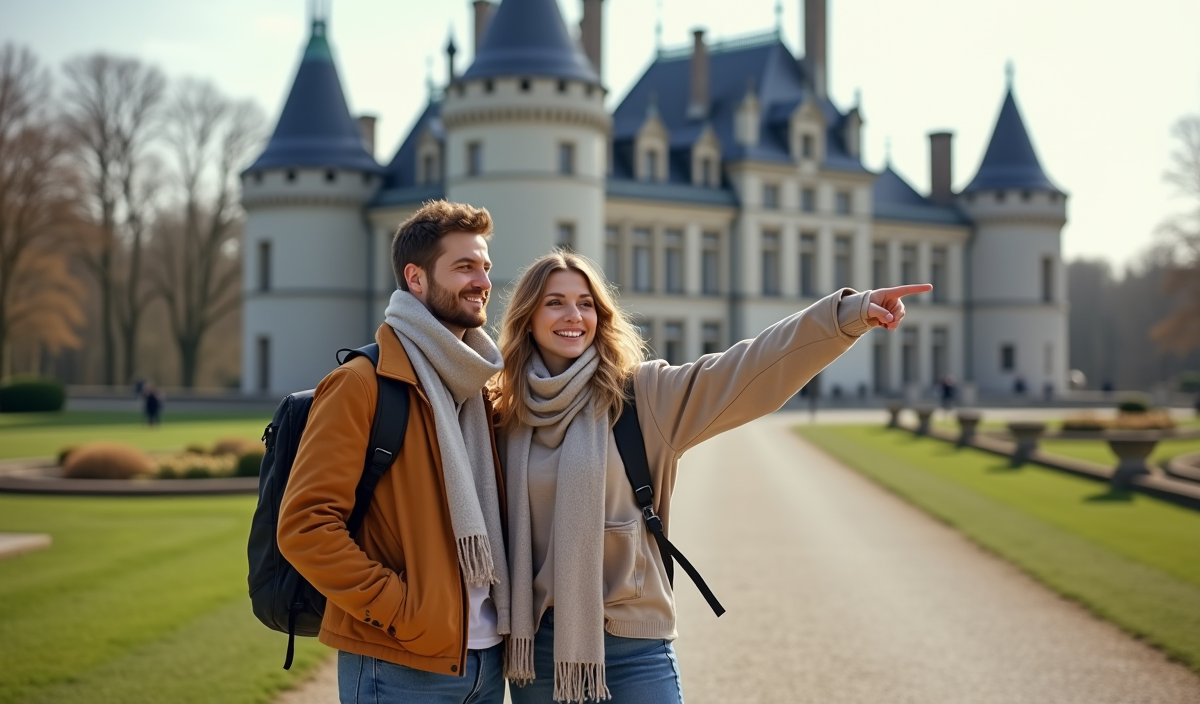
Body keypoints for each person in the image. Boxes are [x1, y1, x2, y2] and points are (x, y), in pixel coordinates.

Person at [491, 250, 930, 703]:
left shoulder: (643, 396)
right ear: (528, 318)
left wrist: (845, 315)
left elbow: (748, 368)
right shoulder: (503, 415)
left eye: (585, 303)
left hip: (633, 647)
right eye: (555, 302)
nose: (574, 315)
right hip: (539, 651)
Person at [278, 201, 509, 704]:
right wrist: (403, 612)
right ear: (416, 278)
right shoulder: (360, 384)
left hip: (487, 663)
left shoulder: (479, 388)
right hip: (398, 666)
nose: (483, 281)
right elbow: (305, 527)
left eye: (485, 266)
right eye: (465, 266)